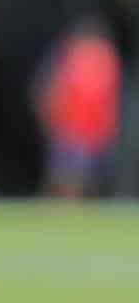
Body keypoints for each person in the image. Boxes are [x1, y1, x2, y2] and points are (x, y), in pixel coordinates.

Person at [33, 18, 122, 200]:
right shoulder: (73, 55)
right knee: (67, 179)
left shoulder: (103, 57)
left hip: (88, 133)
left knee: (82, 180)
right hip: (74, 132)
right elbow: (49, 93)